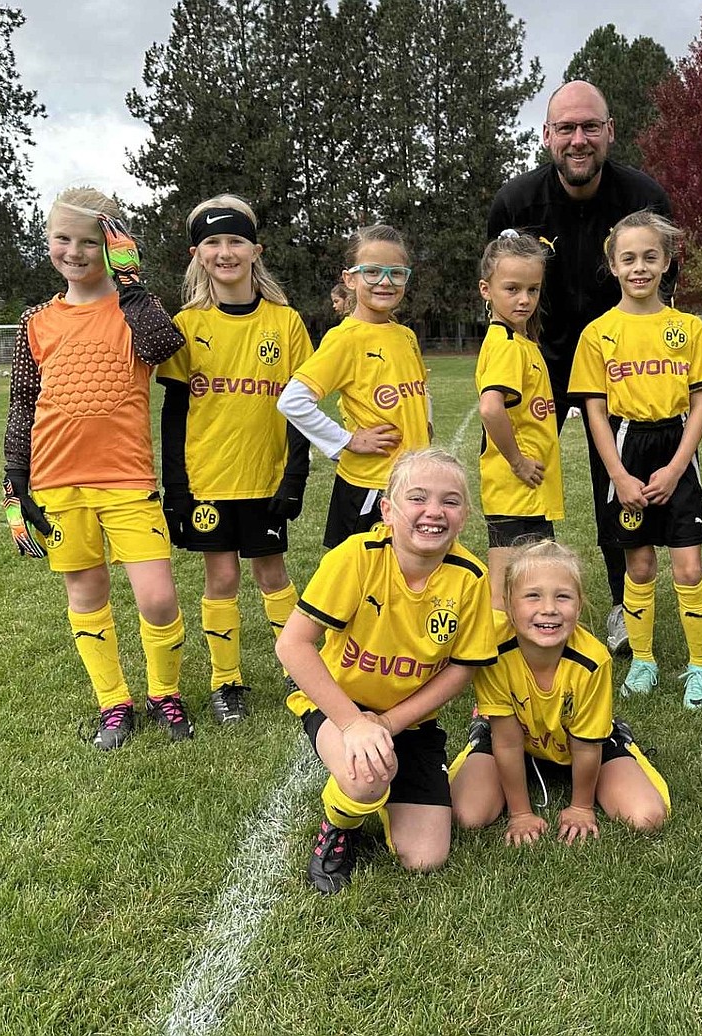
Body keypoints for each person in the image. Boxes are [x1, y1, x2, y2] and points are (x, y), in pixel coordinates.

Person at [488, 80, 674, 655]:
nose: (578, 139)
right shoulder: (516, 202)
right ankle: (513, 608)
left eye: (590, 126)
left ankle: (623, 606)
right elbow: (500, 284)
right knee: (519, 482)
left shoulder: (643, 197)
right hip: (537, 358)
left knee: (615, 478)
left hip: (614, 361)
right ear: (546, 135)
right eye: (565, 128)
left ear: (609, 132)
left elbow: (662, 286)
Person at [2, 186, 190, 750]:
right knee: (86, 594)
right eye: (63, 238)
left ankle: (165, 692)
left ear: (116, 246)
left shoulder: (136, 312)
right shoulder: (36, 322)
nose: (75, 251)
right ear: (48, 240)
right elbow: (21, 402)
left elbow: (163, 346)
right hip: (58, 480)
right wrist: (14, 482)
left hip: (128, 478)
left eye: (90, 241)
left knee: (157, 597)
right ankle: (114, 703)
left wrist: (131, 287)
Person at [277, 448, 497, 894]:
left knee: (424, 858)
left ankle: (376, 786)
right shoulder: (356, 556)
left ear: (465, 515)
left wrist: (390, 723)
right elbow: (292, 645)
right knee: (365, 776)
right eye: (417, 498)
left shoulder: (470, 577)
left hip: (408, 717)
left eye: (450, 501)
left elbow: (462, 668)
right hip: (344, 702)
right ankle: (339, 826)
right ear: (388, 510)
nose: (433, 512)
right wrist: (355, 723)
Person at [156, 195, 313, 724]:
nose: (226, 252)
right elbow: (175, 412)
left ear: (255, 250)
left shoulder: (286, 324)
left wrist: (294, 477)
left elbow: (299, 409)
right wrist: (177, 490)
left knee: (273, 575)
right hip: (207, 481)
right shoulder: (186, 324)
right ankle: (227, 684)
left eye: (236, 241)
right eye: (213, 243)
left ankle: (300, 673)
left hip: (265, 478)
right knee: (220, 580)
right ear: (198, 254)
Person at [568, 211, 702, 709]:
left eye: (650, 257)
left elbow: (700, 402)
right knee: (640, 563)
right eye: (628, 258)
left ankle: (701, 665)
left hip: (676, 446)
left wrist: (677, 467)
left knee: (690, 567)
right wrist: (618, 475)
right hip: (625, 447)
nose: (639, 267)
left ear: (666, 262)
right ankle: (645, 659)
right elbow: (594, 409)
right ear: (613, 266)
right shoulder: (598, 333)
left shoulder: (688, 328)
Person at [449, 539, 669, 844]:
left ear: (579, 605)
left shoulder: (593, 660)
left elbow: (585, 747)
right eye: (533, 597)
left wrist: (581, 806)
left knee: (647, 816)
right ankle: (479, 733)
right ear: (509, 603)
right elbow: (509, 744)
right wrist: (520, 814)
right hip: (517, 740)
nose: (548, 609)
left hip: (580, 744)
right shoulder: (494, 653)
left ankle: (621, 736)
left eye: (562, 597)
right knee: (467, 816)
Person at [277, 225, 430, 548]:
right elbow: (293, 401)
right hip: (369, 485)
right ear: (350, 279)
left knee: (406, 574)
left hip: (410, 480)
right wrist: (345, 440)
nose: (385, 282)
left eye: (396, 273)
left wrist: (425, 425)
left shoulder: (405, 336)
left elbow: (420, 388)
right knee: (358, 579)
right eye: (372, 272)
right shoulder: (344, 339)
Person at [475, 229, 563, 606]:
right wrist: (517, 462)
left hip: (527, 493)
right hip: (515, 491)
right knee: (507, 590)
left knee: (523, 585)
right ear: (486, 290)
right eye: (512, 289)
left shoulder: (521, 342)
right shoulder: (506, 345)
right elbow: (491, 407)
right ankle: (493, 659)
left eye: (533, 290)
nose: (524, 299)